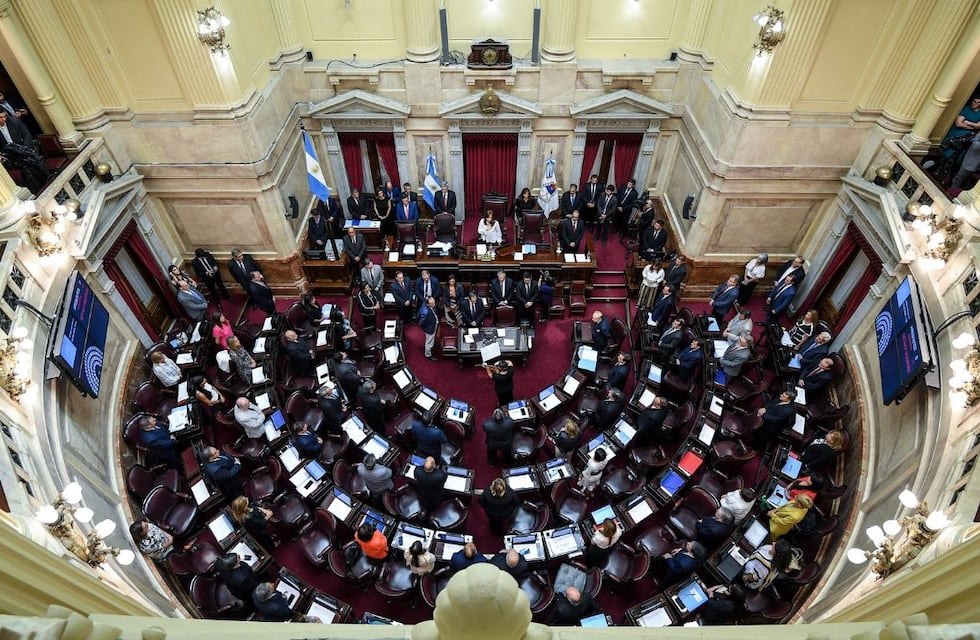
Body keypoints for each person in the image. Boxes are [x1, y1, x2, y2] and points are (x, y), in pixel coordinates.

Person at [420, 295, 438, 361]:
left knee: (431, 340)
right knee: (429, 342)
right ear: (428, 304)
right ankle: (428, 354)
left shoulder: (429, 306)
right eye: (432, 304)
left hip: (433, 325)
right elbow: (421, 323)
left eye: (434, 302)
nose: (434, 304)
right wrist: (427, 328)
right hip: (430, 329)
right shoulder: (426, 313)